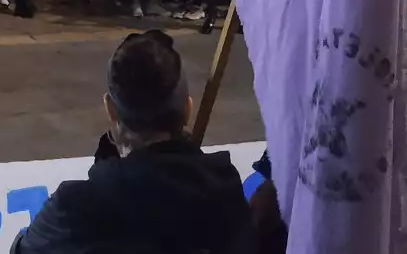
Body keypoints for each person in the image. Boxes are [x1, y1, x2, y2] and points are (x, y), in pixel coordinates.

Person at [14, 30, 253, 254]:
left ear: (110, 109)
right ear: (187, 109)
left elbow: (21, 249)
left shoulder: (74, 207)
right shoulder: (225, 192)